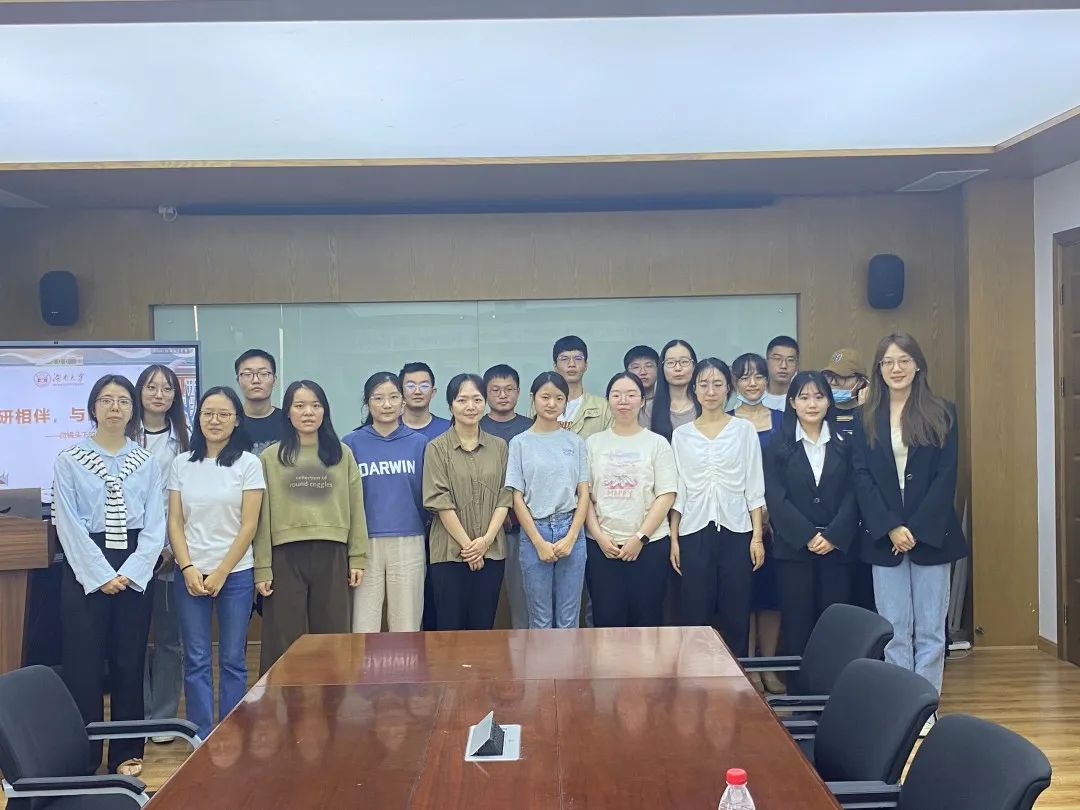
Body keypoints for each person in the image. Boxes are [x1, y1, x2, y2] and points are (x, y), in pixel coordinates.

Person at [851, 333, 967, 736]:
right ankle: (902, 707)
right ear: (878, 370)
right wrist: (890, 526)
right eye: (887, 362)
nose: (896, 368)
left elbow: (946, 476)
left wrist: (915, 528)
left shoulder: (942, 412)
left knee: (931, 629)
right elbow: (861, 477)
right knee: (894, 628)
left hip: (931, 535)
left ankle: (926, 709)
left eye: (903, 360)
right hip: (885, 536)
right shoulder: (866, 416)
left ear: (918, 365)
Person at [52, 374, 165, 777]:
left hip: (135, 564)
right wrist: (100, 574)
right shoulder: (69, 459)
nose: (115, 407)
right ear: (93, 408)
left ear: (133, 409)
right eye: (106, 400)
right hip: (86, 565)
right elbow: (67, 523)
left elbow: (156, 523)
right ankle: (83, 755)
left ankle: (125, 751)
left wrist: (132, 572)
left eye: (122, 401)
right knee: (82, 664)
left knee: (129, 662)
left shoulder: (147, 462)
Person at [167, 386, 265, 739]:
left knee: (233, 658)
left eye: (224, 414)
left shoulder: (249, 463)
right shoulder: (182, 463)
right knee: (195, 658)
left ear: (237, 420)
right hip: (190, 574)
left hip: (235, 574)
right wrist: (187, 567)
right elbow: (175, 522)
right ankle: (200, 735)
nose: (215, 420)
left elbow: (249, 525)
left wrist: (222, 571)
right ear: (198, 418)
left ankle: (231, 732)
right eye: (208, 413)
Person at [254, 380, 369, 673]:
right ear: (288, 412)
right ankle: (280, 698)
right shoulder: (270, 457)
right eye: (300, 405)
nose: (308, 412)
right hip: (284, 557)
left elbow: (356, 507)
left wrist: (357, 556)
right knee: (282, 639)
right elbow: (262, 516)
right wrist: (263, 567)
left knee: (333, 637)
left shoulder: (341, 454)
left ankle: (333, 698)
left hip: (332, 554)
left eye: (316, 405)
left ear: (324, 411)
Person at [670, 359, 765, 658]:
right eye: (704, 384)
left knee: (736, 612)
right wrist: (674, 539)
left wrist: (757, 537)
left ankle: (737, 679)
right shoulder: (681, 435)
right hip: (693, 532)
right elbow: (679, 492)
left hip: (738, 531)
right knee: (695, 613)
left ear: (728, 389)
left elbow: (754, 487)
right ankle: (696, 677)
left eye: (717, 384)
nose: (710, 391)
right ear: (694, 389)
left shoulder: (744, 430)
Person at [764, 371, 858, 657]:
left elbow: (854, 493)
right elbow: (775, 497)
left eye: (819, 397)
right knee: (797, 623)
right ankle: (799, 684)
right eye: (804, 397)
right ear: (792, 402)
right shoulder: (776, 445)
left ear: (829, 402)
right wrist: (806, 535)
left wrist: (833, 535)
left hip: (837, 548)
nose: (812, 404)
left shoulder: (846, 442)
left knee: (836, 623)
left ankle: (836, 682)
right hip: (793, 549)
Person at [584, 372, 677, 627]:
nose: (623, 401)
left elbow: (666, 494)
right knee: (606, 620)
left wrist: (640, 538)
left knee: (646, 621)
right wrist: (599, 537)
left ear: (642, 400)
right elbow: (585, 496)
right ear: (608, 401)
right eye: (616, 395)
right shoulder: (592, 444)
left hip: (650, 546)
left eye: (631, 394)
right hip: (602, 547)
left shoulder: (657, 443)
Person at [424, 373, 513, 630]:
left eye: (476, 399)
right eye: (462, 400)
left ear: (485, 402)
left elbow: (505, 495)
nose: (470, 406)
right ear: (450, 405)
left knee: (483, 627)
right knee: (449, 629)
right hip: (449, 553)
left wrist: (485, 542)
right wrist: (468, 547)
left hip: (491, 551)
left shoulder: (499, 447)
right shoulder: (436, 448)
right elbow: (439, 500)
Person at [342, 372, 428, 633]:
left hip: (409, 538)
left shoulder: (419, 443)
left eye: (393, 397)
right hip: (364, 541)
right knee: (363, 622)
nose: (387, 404)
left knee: (407, 622)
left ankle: (407, 663)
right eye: (378, 398)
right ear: (367, 403)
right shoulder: (351, 443)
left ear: (403, 401)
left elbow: (426, 496)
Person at [506, 372, 591, 628]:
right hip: (535, 530)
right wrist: (538, 542)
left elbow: (583, 493)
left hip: (570, 529)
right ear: (533, 398)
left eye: (559, 398)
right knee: (540, 618)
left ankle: (567, 659)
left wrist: (571, 537)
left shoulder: (576, 442)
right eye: (545, 397)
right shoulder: (519, 443)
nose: (552, 403)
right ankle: (542, 659)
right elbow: (516, 497)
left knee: (568, 618)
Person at [134, 364, 190, 744]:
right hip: (131, 553)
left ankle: (164, 717)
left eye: (167, 388)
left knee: (170, 639)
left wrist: (172, 546)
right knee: (133, 639)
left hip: (172, 553)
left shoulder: (185, 440)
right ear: (139, 392)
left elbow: (187, 499)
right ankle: (139, 714)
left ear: (175, 396)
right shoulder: (123, 437)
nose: (159, 394)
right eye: (152, 387)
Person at [730, 353, 784, 690]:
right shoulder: (726, 421)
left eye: (758, 376)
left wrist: (771, 513)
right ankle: (747, 667)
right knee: (743, 597)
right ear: (734, 383)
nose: (752, 383)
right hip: (739, 521)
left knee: (772, 597)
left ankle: (770, 667)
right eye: (744, 377)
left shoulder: (783, 419)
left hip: (778, 523)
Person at [479, 363, 534, 629]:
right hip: (482, 529)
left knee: (523, 600)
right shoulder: (475, 426)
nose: (503, 395)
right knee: (483, 602)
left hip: (523, 528)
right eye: (496, 390)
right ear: (486, 393)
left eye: (509, 389)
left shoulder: (531, 428)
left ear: (518, 392)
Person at [822, 347, 876, 612]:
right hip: (834, 523)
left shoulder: (873, 417)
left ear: (861, 382)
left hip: (869, 522)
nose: (835, 384)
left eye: (843, 379)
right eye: (830, 378)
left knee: (867, 600)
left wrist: (868, 409)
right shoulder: (821, 416)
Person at [551, 335, 613, 438]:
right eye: (564, 359)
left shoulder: (603, 407)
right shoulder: (541, 405)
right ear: (555, 366)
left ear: (586, 365)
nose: (571, 364)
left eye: (578, 358)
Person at [643, 339, 698, 439]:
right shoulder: (648, 410)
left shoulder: (705, 405)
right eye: (671, 362)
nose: (678, 368)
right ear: (662, 368)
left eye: (684, 362)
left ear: (694, 366)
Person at [235, 349, 282, 454]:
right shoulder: (229, 422)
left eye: (263, 374)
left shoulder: (289, 421)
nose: (256, 380)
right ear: (238, 380)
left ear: (274, 380)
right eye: (247, 374)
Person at [823, 347, 870, 437]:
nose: (833, 382)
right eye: (829, 376)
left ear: (860, 382)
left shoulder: (871, 414)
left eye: (841, 377)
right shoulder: (820, 411)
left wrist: (863, 413)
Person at [398, 361, 451, 441]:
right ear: (401, 392)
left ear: (433, 392)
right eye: (411, 386)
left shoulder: (449, 429)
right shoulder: (390, 428)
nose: (417, 392)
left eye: (424, 386)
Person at [762, 336, 800, 411]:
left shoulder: (802, 399)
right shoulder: (753, 397)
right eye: (777, 359)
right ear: (766, 362)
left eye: (790, 360)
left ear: (797, 365)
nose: (783, 366)